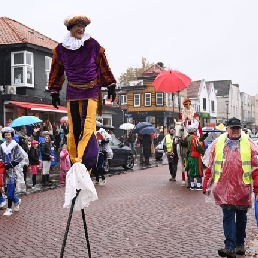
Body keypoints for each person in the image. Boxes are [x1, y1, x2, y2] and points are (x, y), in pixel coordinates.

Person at [48, 14, 116, 173]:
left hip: (91, 91)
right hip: (72, 92)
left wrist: (111, 84)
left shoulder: (92, 45)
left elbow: (103, 65)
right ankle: (74, 163)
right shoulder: (61, 49)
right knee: (74, 129)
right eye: (78, 26)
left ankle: (84, 163)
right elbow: (56, 72)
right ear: (70, 28)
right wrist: (54, 91)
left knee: (88, 127)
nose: (81, 29)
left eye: (83, 26)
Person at [202, 117, 258, 257]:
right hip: (224, 189)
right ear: (227, 129)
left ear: (241, 129)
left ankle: (239, 244)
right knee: (228, 217)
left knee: (241, 217)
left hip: (242, 189)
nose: (235, 131)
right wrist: (207, 183)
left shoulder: (248, 143)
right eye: (232, 128)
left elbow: (256, 168)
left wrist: (256, 187)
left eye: (237, 128)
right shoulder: (218, 143)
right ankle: (230, 247)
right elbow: (211, 165)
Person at [0, 127, 24, 216]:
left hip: (13, 170)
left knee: (10, 189)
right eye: (5, 135)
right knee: (6, 191)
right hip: (4, 170)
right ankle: (16, 201)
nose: (7, 136)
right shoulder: (2, 146)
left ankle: (9, 208)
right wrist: (2, 164)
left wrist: (11, 164)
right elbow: (0, 156)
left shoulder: (15, 146)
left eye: (9, 135)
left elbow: (20, 157)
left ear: (12, 135)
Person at [185, 123, 208, 190]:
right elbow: (198, 146)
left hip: (190, 156)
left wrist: (204, 136)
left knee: (191, 171)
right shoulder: (195, 138)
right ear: (194, 131)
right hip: (196, 156)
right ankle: (199, 185)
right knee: (198, 170)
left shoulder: (189, 137)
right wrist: (204, 152)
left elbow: (199, 140)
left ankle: (192, 185)